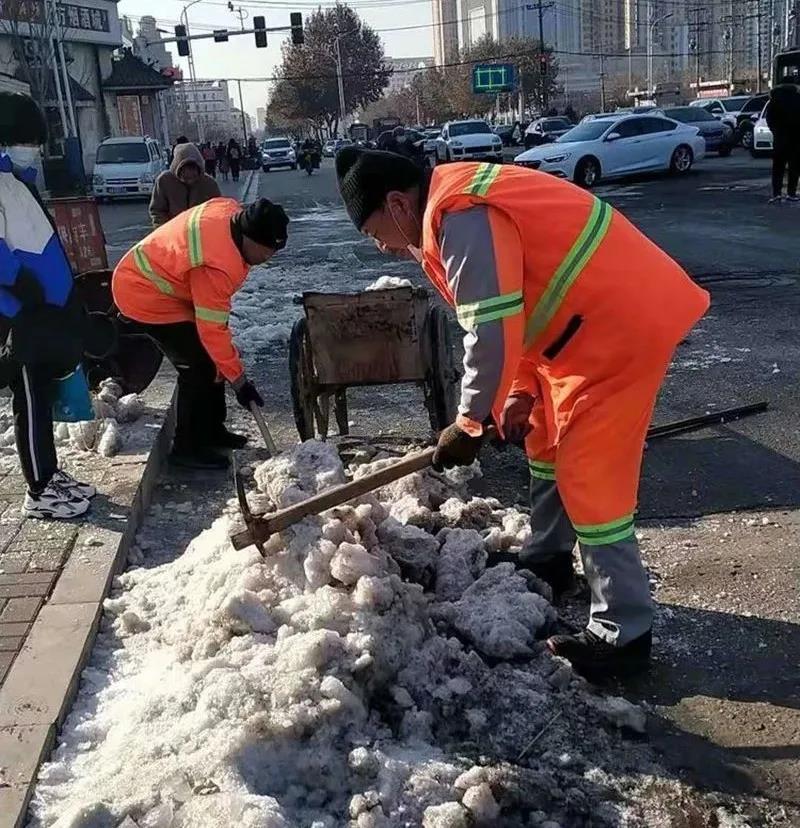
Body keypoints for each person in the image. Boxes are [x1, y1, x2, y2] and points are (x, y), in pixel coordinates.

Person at [335, 148, 710, 678]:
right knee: (543, 437)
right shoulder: (453, 214)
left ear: (397, 204)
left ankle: (623, 632)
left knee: (589, 475)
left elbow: (490, 328)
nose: (378, 246)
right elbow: (522, 310)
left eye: (373, 231)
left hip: (616, 326)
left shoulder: (459, 212)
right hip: (575, 332)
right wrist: (518, 392)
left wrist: (469, 422)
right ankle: (550, 556)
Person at [112, 198, 288, 469]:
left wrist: (229, 369)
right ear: (249, 238)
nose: (268, 258)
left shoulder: (231, 212)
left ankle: (212, 431)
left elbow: (214, 329)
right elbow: (212, 332)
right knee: (196, 366)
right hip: (142, 291)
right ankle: (186, 448)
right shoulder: (216, 265)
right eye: (266, 250)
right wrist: (240, 382)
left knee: (211, 360)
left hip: (167, 283)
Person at [0, 92, 95, 518]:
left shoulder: (14, 182)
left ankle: (50, 472)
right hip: (18, 317)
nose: (35, 150)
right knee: (31, 400)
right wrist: (23, 286)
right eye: (28, 141)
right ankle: (39, 490)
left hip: (41, 315)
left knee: (39, 394)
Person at [149, 142, 221, 227]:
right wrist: (164, 229)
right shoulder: (164, 181)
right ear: (178, 169)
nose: (189, 181)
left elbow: (218, 209)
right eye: (185, 178)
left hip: (201, 231)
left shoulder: (209, 184)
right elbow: (157, 210)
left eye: (193, 177)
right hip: (172, 232)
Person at [765, 84, 800, 203]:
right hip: (795, 139)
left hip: (780, 139)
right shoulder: (797, 98)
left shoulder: (774, 101)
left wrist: (776, 131)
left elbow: (769, 118)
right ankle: (791, 193)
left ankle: (777, 194)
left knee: (778, 167)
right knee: (794, 167)